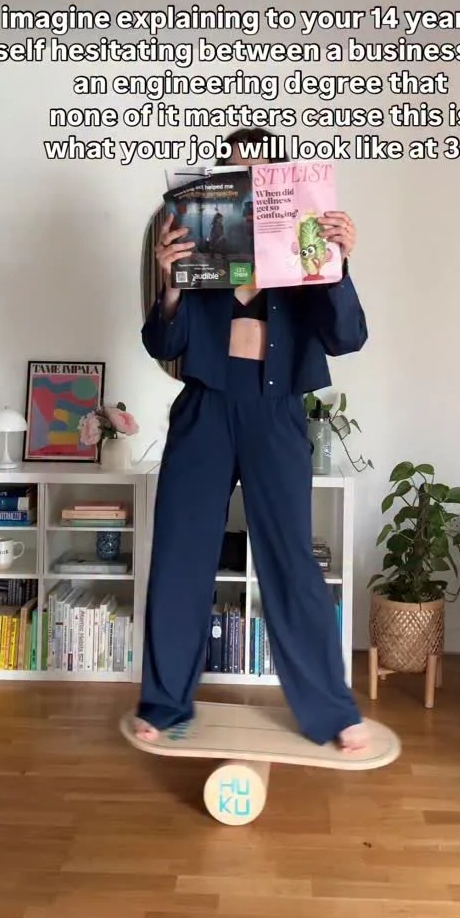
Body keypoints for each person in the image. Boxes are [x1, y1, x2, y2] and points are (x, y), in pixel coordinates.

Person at [135, 128, 370, 752]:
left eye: (263, 173)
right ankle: (163, 703)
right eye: (237, 173)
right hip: (205, 407)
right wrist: (171, 284)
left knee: (292, 562)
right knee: (181, 555)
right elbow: (163, 343)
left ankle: (332, 711)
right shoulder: (197, 241)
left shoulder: (307, 250)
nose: (251, 184)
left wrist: (338, 264)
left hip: (277, 411)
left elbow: (348, 338)